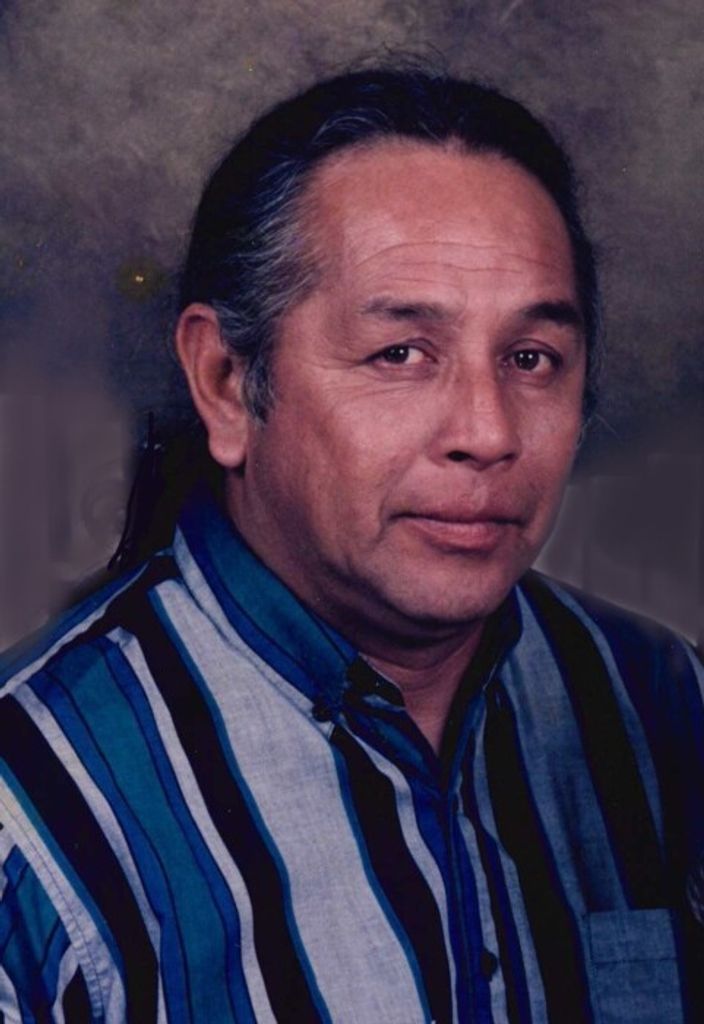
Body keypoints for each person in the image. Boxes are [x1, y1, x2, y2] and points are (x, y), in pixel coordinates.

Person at [0, 66, 702, 1024]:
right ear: (226, 382)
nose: (488, 431)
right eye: (400, 354)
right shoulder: (30, 823)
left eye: (530, 359)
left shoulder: (665, 700)